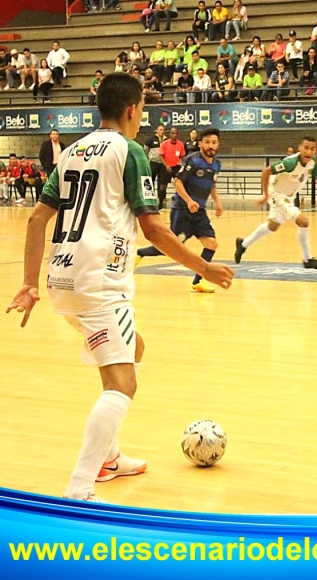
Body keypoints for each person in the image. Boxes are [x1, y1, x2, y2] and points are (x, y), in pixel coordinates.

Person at [6, 73, 233, 504]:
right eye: (143, 107)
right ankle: (79, 489)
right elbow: (153, 228)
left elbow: (37, 220)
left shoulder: (72, 151)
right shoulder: (129, 151)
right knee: (121, 384)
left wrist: (27, 284)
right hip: (101, 282)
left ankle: (109, 458)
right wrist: (205, 267)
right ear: (133, 109)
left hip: (62, 280)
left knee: (135, 348)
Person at [136, 128, 225, 293]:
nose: (210, 146)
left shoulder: (217, 164)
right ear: (200, 144)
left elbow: (212, 185)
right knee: (172, 247)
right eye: (207, 142)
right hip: (183, 210)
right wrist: (189, 200)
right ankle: (139, 252)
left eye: (214, 142)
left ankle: (198, 282)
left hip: (199, 213)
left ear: (218, 144)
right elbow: (177, 182)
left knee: (211, 244)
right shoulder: (193, 161)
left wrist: (218, 203)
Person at [234, 136, 317, 269]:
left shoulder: (313, 162)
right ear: (299, 148)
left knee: (273, 226)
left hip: (289, 195)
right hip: (277, 193)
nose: (309, 152)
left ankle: (243, 244)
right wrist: (265, 195)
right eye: (306, 148)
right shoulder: (291, 163)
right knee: (303, 221)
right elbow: (266, 172)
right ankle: (307, 259)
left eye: (312, 149)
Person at [158, 127, 186, 209]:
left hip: (176, 167)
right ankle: (160, 203)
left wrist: (185, 165)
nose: (174, 135)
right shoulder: (164, 143)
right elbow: (160, 156)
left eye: (176, 133)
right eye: (172, 133)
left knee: (180, 184)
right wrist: (166, 165)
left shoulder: (180, 144)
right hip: (166, 167)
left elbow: (183, 156)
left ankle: (180, 201)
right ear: (170, 134)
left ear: (178, 134)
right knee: (163, 186)